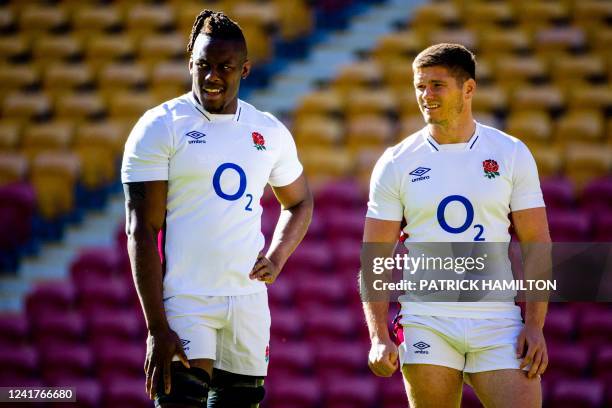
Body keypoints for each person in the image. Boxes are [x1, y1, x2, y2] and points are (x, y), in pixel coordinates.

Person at [121, 10, 312, 408]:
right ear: (190, 62)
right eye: (203, 65)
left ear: (244, 70)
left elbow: (298, 201)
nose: (212, 76)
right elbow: (141, 229)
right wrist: (157, 327)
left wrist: (276, 258)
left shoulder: (269, 131)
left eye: (224, 67)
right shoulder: (161, 126)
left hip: (247, 302)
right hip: (186, 299)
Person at [362, 43, 551, 407]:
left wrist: (535, 325)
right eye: (419, 86)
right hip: (427, 320)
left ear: (468, 89)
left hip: (498, 322)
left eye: (436, 85)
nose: (425, 95)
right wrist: (378, 335)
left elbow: (537, 241)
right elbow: (375, 255)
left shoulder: (511, 153)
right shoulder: (395, 162)